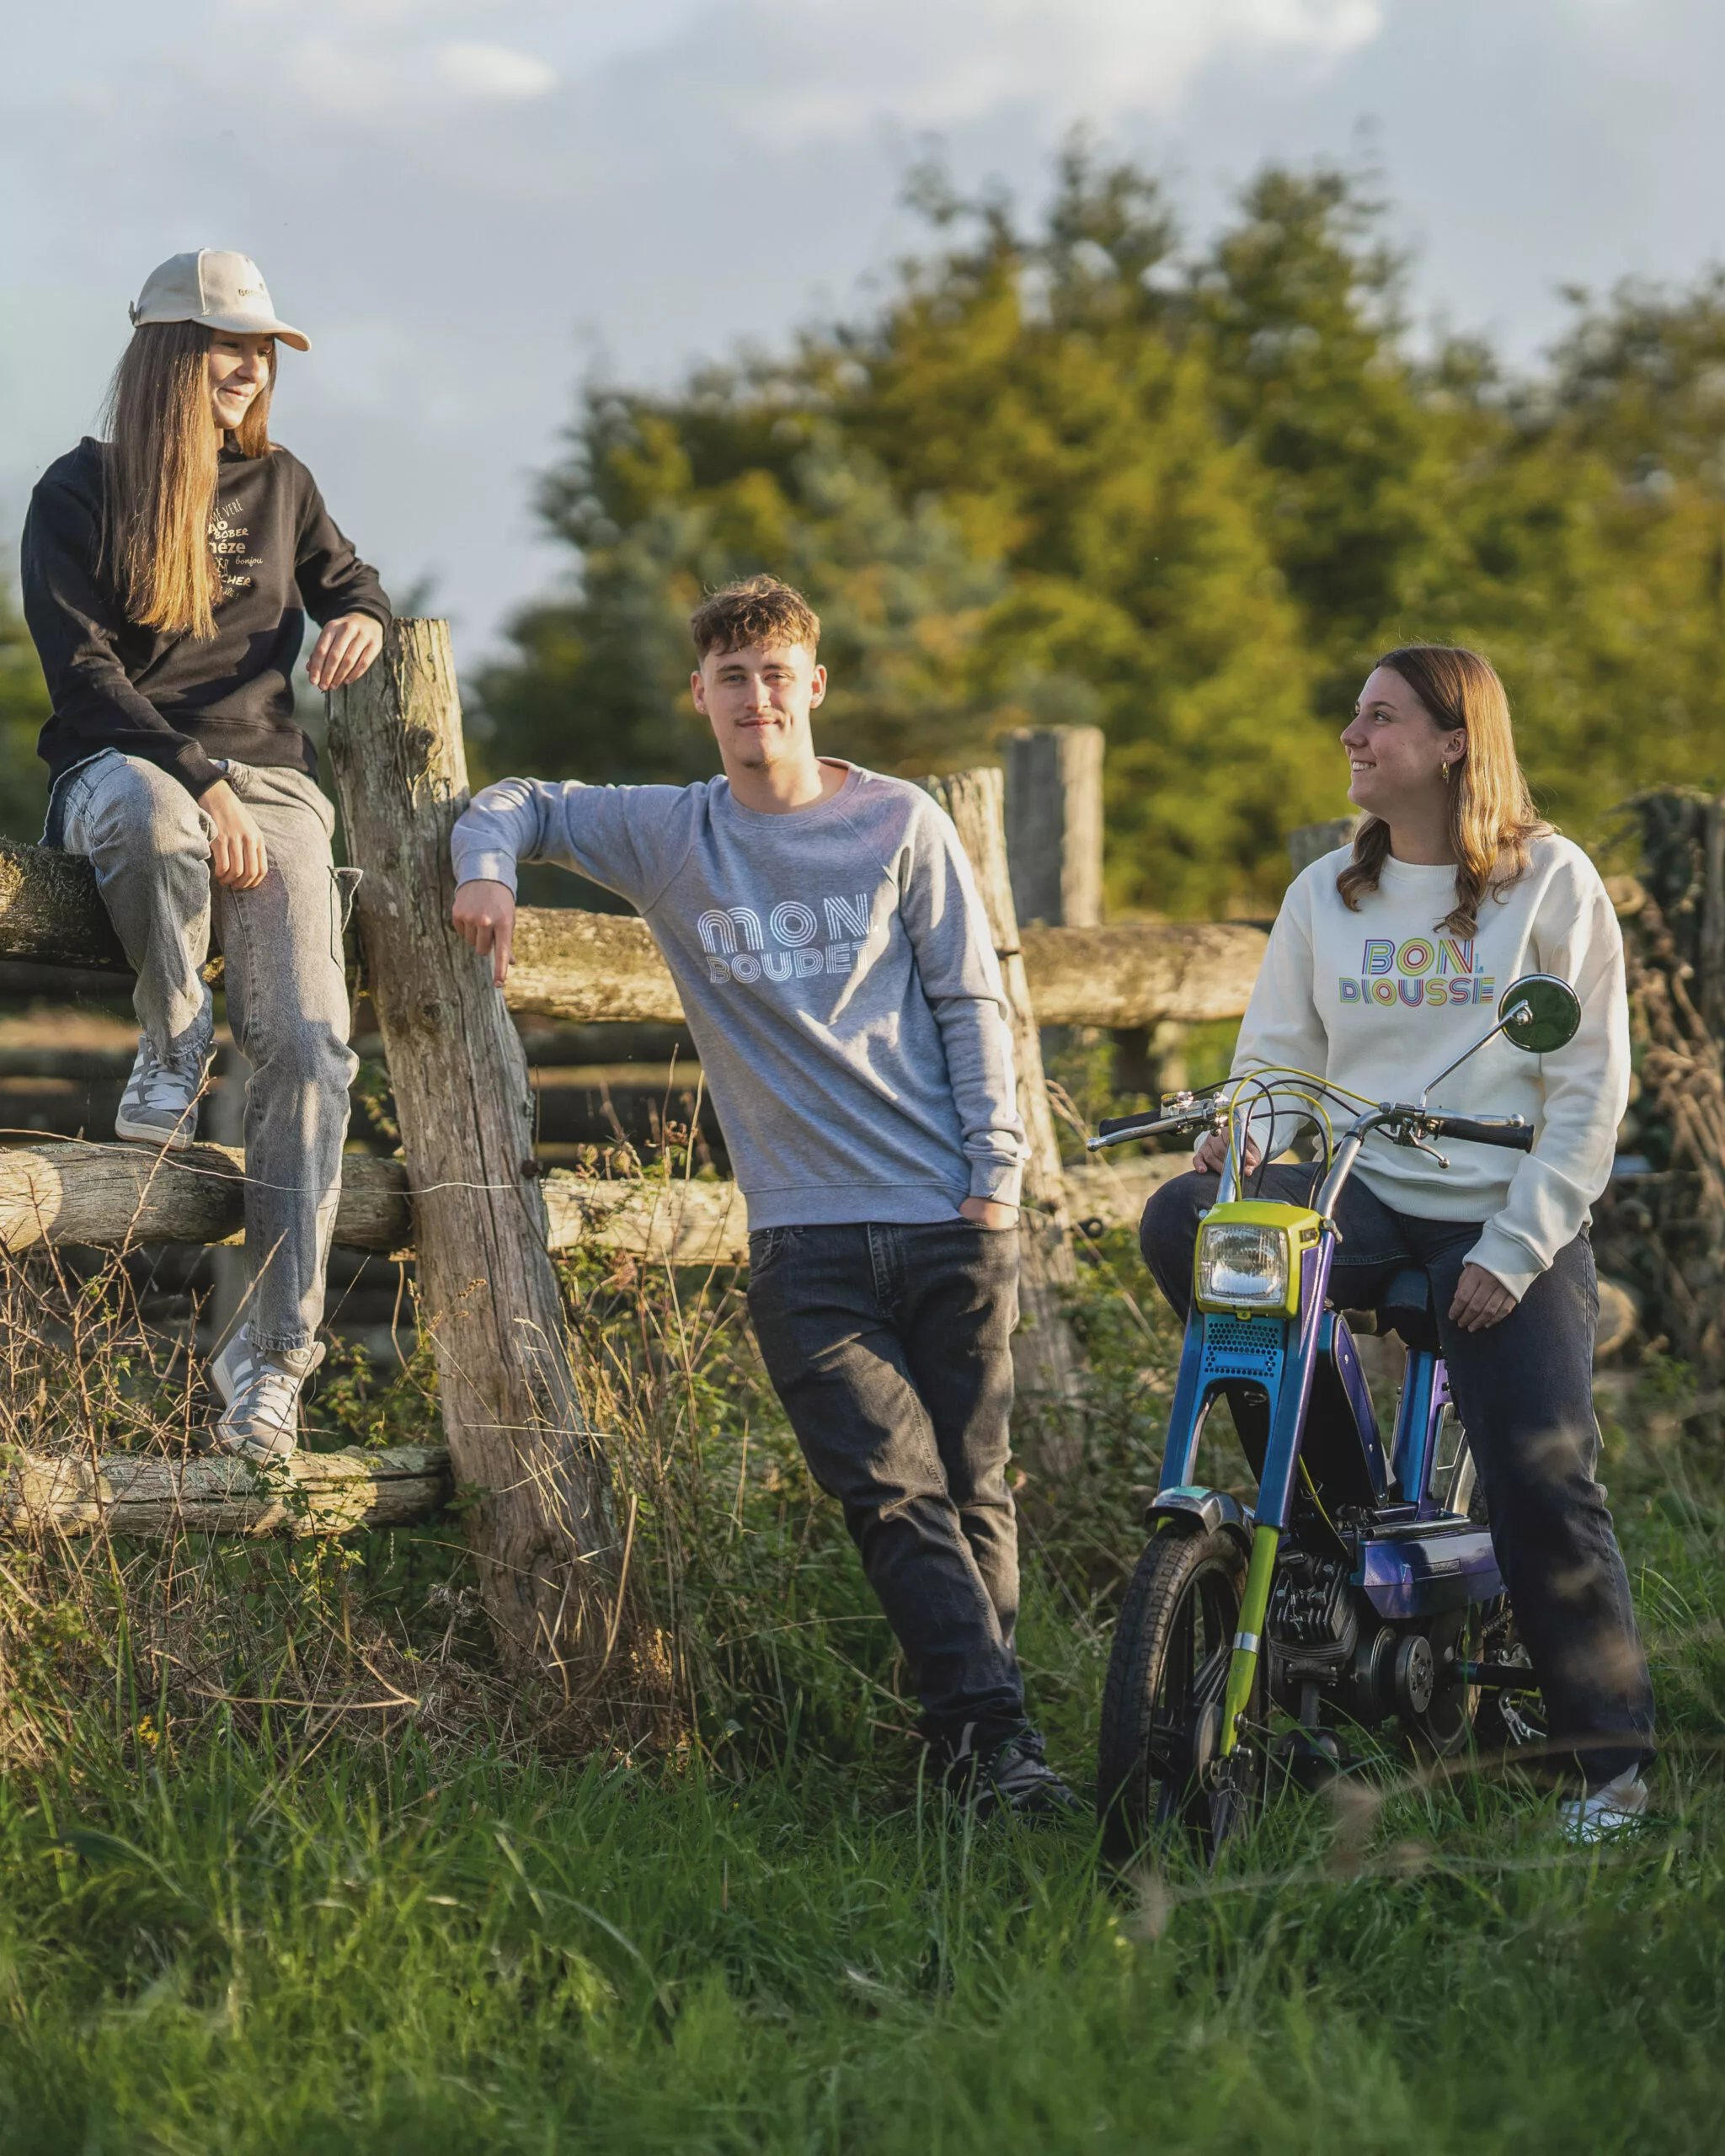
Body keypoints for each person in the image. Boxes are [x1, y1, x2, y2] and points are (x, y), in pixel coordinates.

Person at [449, 574, 1075, 1819]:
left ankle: (971, 1757)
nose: (754, 697)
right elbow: (515, 802)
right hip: (806, 1239)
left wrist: (994, 1184)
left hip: (950, 1216)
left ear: (814, 685)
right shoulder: (674, 833)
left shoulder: (900, 824)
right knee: (893, 1496)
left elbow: (970, 998)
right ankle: (1001, 1746)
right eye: (730, 678)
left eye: (775, 673)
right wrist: (488, 874)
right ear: (701, 697)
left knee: (973, 1492)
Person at [1140, 643, 1655, 1840]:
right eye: (1355, 717)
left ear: (1454, 742)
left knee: (1544, 1481)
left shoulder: (1552, 882)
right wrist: (1247, 1138)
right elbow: (1279, 1057)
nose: (1350, 737)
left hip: (1504, 1200)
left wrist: (1514, 1251)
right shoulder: (1328, 891)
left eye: (1377, 718)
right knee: (1186, 1221)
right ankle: (1329, 1514)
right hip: (1360, 1194)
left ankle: (1612, 1771)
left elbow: (1587, 1093)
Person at [22, 249, 391, 1460]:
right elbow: (85, 674)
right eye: (222, 343)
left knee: (312, 1052)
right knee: (155, 815)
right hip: (120, 775)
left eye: (259, 349)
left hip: (271, 790)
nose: (245, 367)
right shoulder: (77, 491)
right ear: (163, 355)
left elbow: (356, 581)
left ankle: (271, 1361)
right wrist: (200, 776)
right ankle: (174, 1042)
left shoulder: (283, 485)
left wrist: (360, 622)